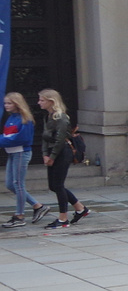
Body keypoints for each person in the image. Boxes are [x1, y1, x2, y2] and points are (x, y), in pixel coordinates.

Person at [34, 90, 89, 230]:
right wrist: (45, 154)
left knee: (58, 185)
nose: (39, 103)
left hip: (62, 152)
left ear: (51, 101)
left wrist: (52, 157)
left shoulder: (62, 118)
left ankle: (63, 218)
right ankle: (80, 208)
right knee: (53, 185)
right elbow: (45, 137)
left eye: (42, 100)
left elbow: (60, 140)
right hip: (53, 152)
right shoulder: (48, 116)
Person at [2, 93, 45, 229]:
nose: (6, 106)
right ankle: (37, 206)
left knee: (18, 184)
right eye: (5, 103)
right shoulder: (11, 119)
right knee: (10, 184)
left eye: (9, 103)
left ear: (17, 103)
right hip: (13, 152)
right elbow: (8, 136)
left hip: (21, 152)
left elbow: (21, 138)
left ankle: (19, 216)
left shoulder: (25, 119)